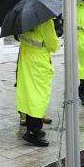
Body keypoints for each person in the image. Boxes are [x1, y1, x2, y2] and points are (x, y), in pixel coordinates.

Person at [16, 18, 60, 147]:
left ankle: (31, 129)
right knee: (39, 95)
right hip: (39, 61)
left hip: (25, 57)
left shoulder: (22, 17)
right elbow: (53, 46)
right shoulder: (45, 20)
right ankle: (35, 132)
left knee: (28, 93)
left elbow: (17, 37)